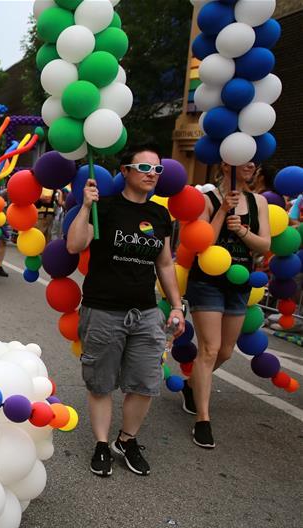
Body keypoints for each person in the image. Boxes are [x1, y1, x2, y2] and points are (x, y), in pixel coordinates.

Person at [67, 145, 185, 477]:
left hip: (146, 312)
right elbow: (75, 245)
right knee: (101, 383)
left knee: (145, 381)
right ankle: (102, 444)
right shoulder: (104, 207)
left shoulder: (161, 216)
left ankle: (126, 440)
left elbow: (164, 262)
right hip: (103, 309)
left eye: (157, 170)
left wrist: (176, 305)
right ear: (125, 171)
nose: (151, 174)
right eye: (144, 168)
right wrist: (85, 206)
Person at [183, 161, 271, 448]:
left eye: (254, 162)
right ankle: (203, 420)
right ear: (226, 163)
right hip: (207, 282)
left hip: (239, 283)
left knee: (225, 351)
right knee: (208, 349)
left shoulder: (258, 202)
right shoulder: (207, 199)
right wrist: (222, 210)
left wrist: (244, 232)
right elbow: (201, 241)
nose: (251, 166)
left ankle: (191, 385)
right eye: (244, 160)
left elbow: (264, 245)